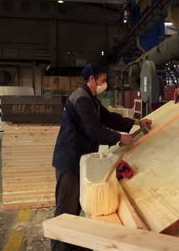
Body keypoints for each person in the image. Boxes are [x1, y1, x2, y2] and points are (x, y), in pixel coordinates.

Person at [51, 64, 152, 251]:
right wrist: (118, 137)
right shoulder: (81, 99)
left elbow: (109, 118)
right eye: (102, 80)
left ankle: (70, 246)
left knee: (75, 207)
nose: (104, 84)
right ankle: (58, 247)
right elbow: (94, 130)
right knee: (66, 208)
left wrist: (135, 122)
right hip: (70, 160)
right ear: (91, 79)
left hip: (80, 159)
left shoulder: (91, 99)